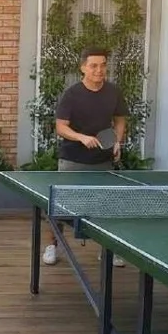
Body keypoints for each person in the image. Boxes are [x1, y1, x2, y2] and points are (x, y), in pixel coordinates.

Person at [43, 47, 130, 265]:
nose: (99, 70)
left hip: (102, 160)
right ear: (83, 68)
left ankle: (108, 250)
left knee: (105, 206)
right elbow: (61, 127)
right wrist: (81, 137)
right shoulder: (71, 94)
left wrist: (117, 141)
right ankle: (52, 246)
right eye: (93, 66)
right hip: (72, 159)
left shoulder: (113, 92)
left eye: (103, 65)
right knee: (60, 206)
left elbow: (120, 119)